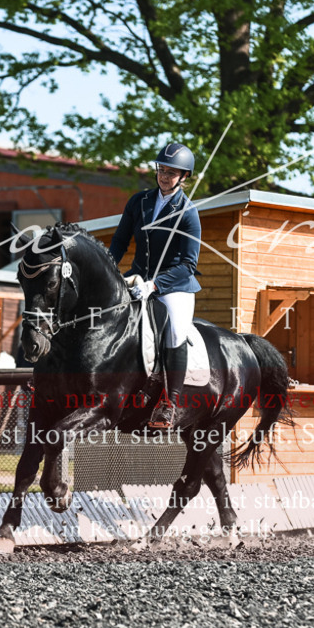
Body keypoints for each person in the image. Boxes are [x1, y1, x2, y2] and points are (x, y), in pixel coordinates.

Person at [108, 142, 201, 429]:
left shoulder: (188, 212)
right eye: (162, 170)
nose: (165, 176)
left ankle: (169, 404)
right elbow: (120, 241)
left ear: (184, 177)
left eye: (172, 173)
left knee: (175, 330)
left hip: (175, 286)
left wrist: (155, 286)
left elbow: (188, 264)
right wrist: (110, 271)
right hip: (136, 277)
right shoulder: (139, 202)